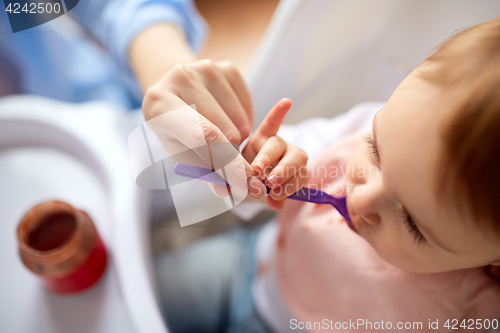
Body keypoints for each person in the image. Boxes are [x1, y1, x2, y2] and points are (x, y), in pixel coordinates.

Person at [153, 17, 500, 333]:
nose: (361, 197)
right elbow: (262, 169)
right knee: (134, 292)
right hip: (246, 267)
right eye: (375, 150)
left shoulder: (478, 313)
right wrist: (261, 163)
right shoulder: (379, 129)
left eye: (412, 223)